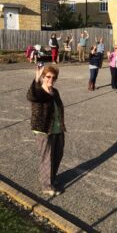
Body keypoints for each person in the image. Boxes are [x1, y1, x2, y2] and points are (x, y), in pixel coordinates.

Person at [27, 65, 66, 196]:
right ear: (43, 77)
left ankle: (52, 180)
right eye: (48, 77)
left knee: (57, 155)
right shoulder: (39, 92)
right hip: (44, 130)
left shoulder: (55, 92)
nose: (51, 80)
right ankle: (46, 186)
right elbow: (32, 96)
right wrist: (36, 80)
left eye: (53, 78)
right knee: (47, 158)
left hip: (57, 128)